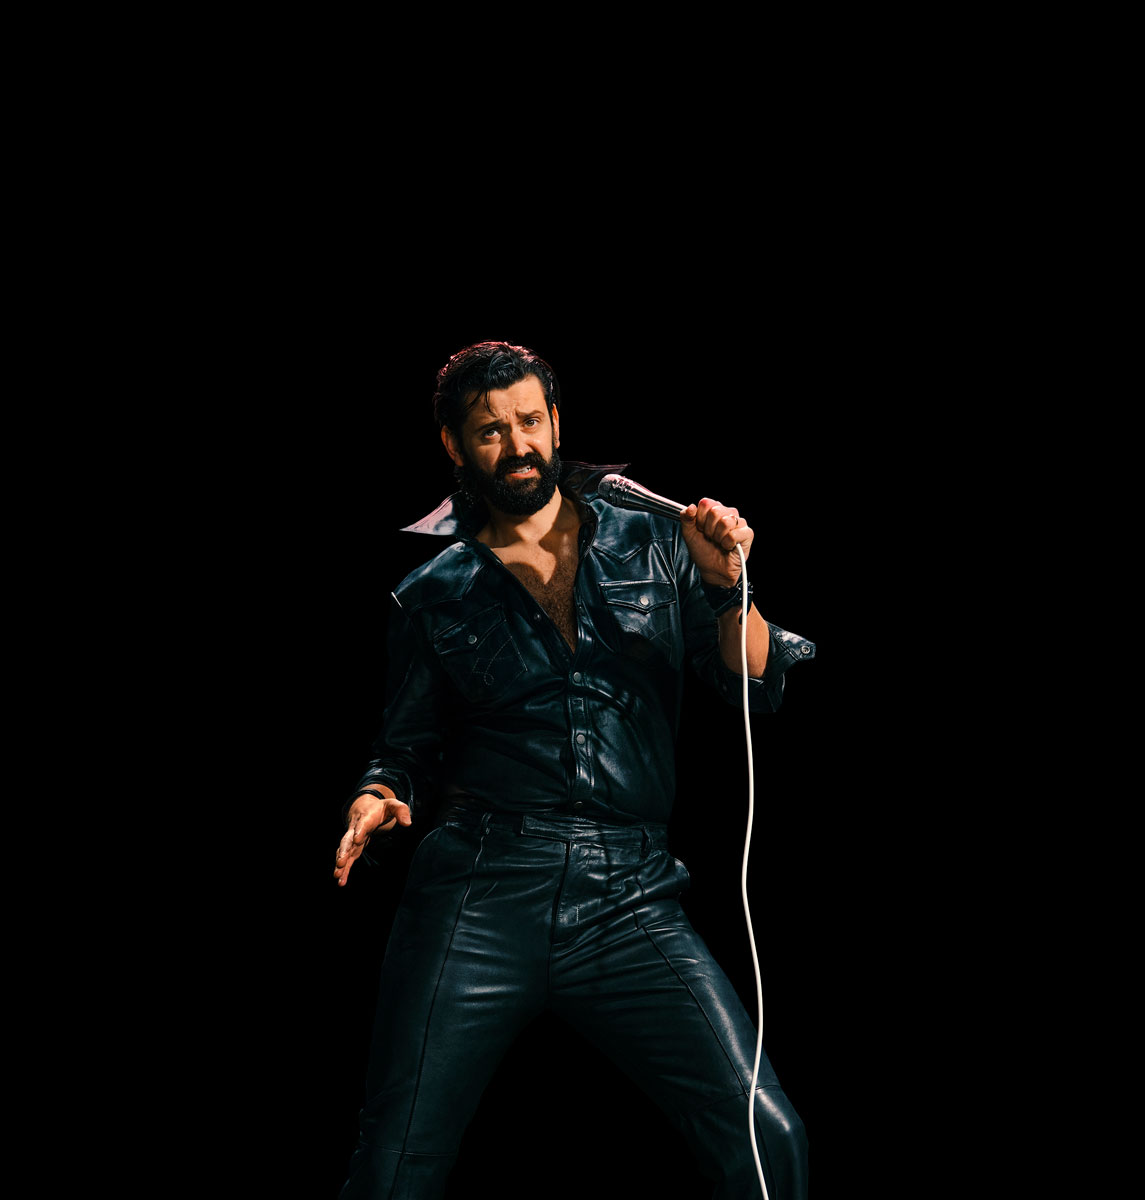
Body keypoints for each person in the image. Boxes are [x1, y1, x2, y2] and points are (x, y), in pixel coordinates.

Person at [335, 341, 815, 1199]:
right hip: (479, 894)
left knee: (763, 1136)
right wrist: (377, 796)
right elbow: (404, 750)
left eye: (529, 421)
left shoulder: (653, 537)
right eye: (490, 430)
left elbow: (751, 678)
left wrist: (726, 587)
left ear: (556, 423)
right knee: (394, 1162)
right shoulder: (431, 592)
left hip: (629, 895)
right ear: (454, 445)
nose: (517, 444)